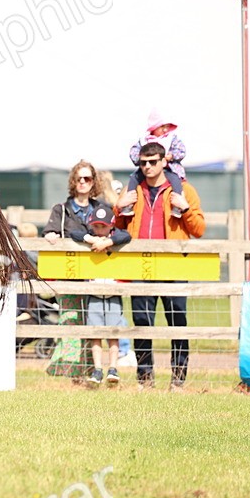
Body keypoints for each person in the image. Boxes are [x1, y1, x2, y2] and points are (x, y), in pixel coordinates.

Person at [114, 141, 206, 390]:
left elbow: (199, 229)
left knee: (177, 323)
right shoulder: (132, 190)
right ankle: (145, 380)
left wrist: (185, 209)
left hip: (173, 266)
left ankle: (178, 380)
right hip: (140, 265)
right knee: (142, 323)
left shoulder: (184, 190)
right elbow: (117, 227)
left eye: (153, 162)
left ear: (164, 161)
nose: (147, 167)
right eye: (143, 162)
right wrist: (118, 208)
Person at [43, 160, 109, 381]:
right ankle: (70, 372)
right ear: (73, 181)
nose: (82, 182)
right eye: (79, 178)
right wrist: (51, 235)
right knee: (70, 320)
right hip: (68, 275)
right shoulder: (61, 210)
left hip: (96, 275)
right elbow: (50, 231)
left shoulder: (101, 209)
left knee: (93, 321)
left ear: (93, 182)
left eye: (87, 178)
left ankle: (91, 370)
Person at [80, 206, 132, 388]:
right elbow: (74, 233)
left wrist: (107, 242)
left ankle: (113, 368)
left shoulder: (116, 238)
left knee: (113, 333)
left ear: (111, 226)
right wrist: (90, 239)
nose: (99, 230)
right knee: (95, 333)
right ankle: (97, 369)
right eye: (96, 226)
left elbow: (127, 236)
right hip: (94, 293)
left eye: (103, 226)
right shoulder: (90, 238)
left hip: (112, 293)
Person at [118, 110, 185, 216]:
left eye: (167, 127)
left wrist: (171, 156)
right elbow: (133, 152)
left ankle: (177, 206)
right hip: (145, 172)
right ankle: (128, 205)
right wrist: (141, 158)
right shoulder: (144, 140)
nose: (165, 130)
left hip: (168, 169)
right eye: (162, 127)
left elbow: (181, 150)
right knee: (134, 178)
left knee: (176, 180)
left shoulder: (171, 139)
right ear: (154, 126)